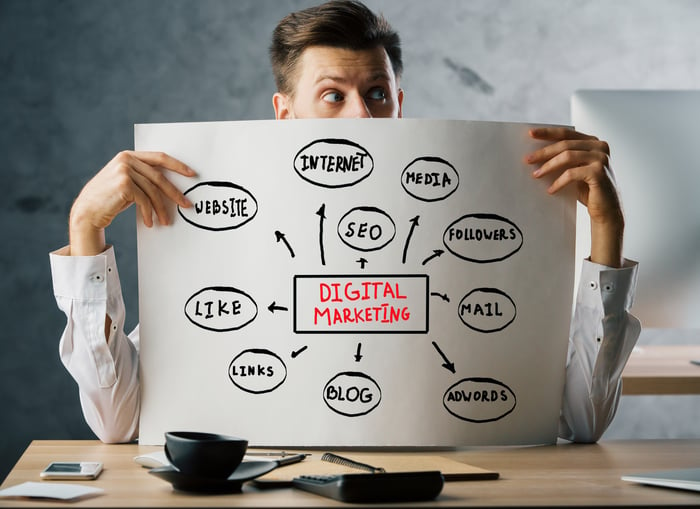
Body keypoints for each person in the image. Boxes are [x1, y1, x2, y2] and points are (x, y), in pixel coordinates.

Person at [50, 0, 640, 444]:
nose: (362, 113)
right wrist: (85, 232)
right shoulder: (220, 228)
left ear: (400, 103)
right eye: (333, 95)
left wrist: (606, 233)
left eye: (377, 93)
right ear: (286, 113)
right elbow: (117, 421)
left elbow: (583, 422)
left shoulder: (477, 212)